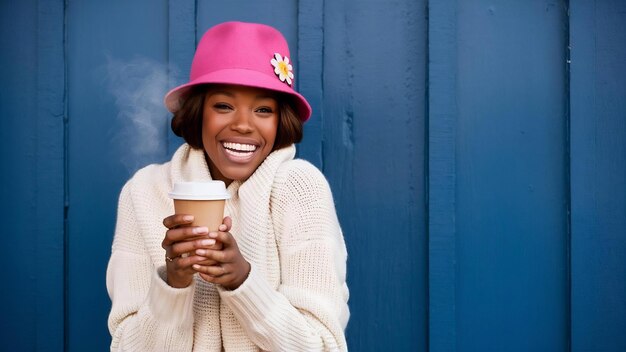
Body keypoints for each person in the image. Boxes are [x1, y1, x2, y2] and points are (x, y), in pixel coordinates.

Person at [106, 21, 350, 351]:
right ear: (198, 112)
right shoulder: (144, 192)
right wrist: (174, 284)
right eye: (223, 106)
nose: (243, 125)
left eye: (263, 109)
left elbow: (321, 346)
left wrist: (243, 282)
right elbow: (126, 346)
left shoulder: (300, 188)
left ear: (281, 121)